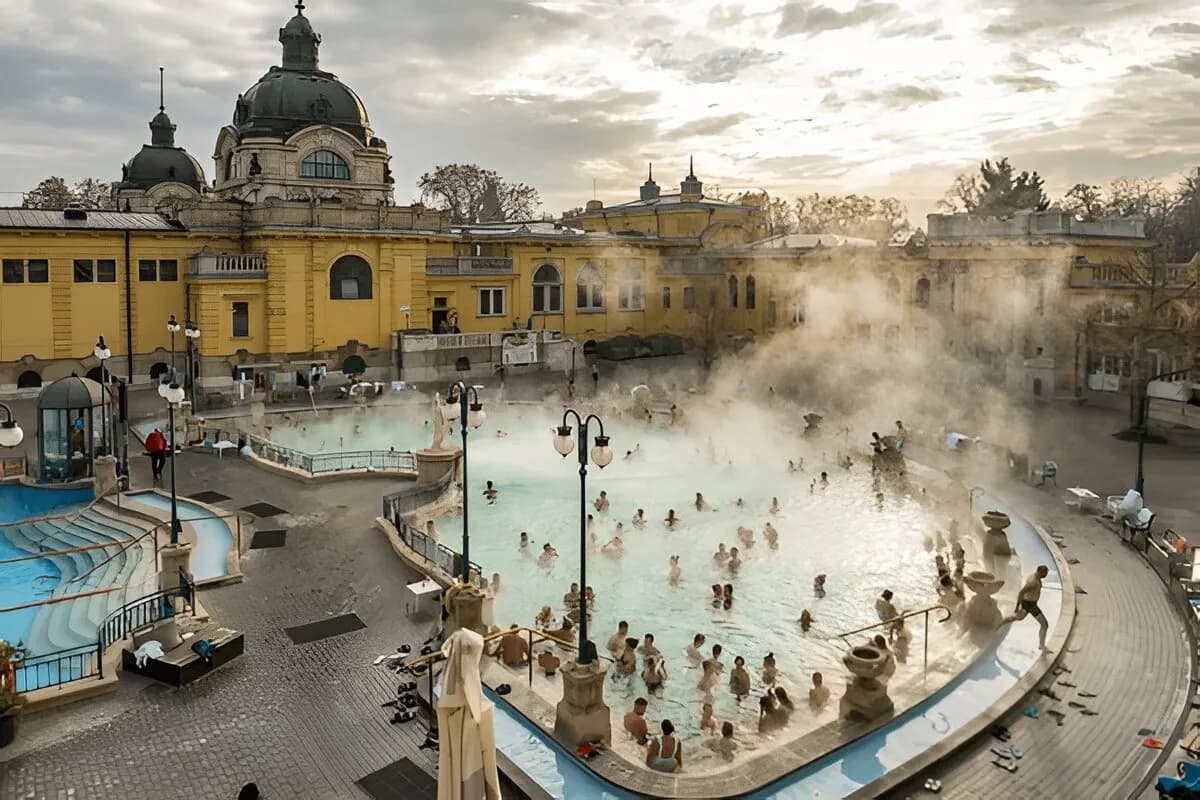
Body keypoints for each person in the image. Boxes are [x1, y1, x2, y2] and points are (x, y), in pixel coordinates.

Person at [1000, 565, 1051, 650]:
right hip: (1030, 605)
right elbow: (1021, 593)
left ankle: (1000, 623)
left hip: (1030, 604)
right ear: (1039, 572)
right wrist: (1017, 607)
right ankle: (1042, 646)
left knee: (1018, 617)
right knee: (1044, 624)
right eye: (1045, 573)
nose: (1046, 575)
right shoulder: (1033, 582)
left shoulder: (1035, 577)